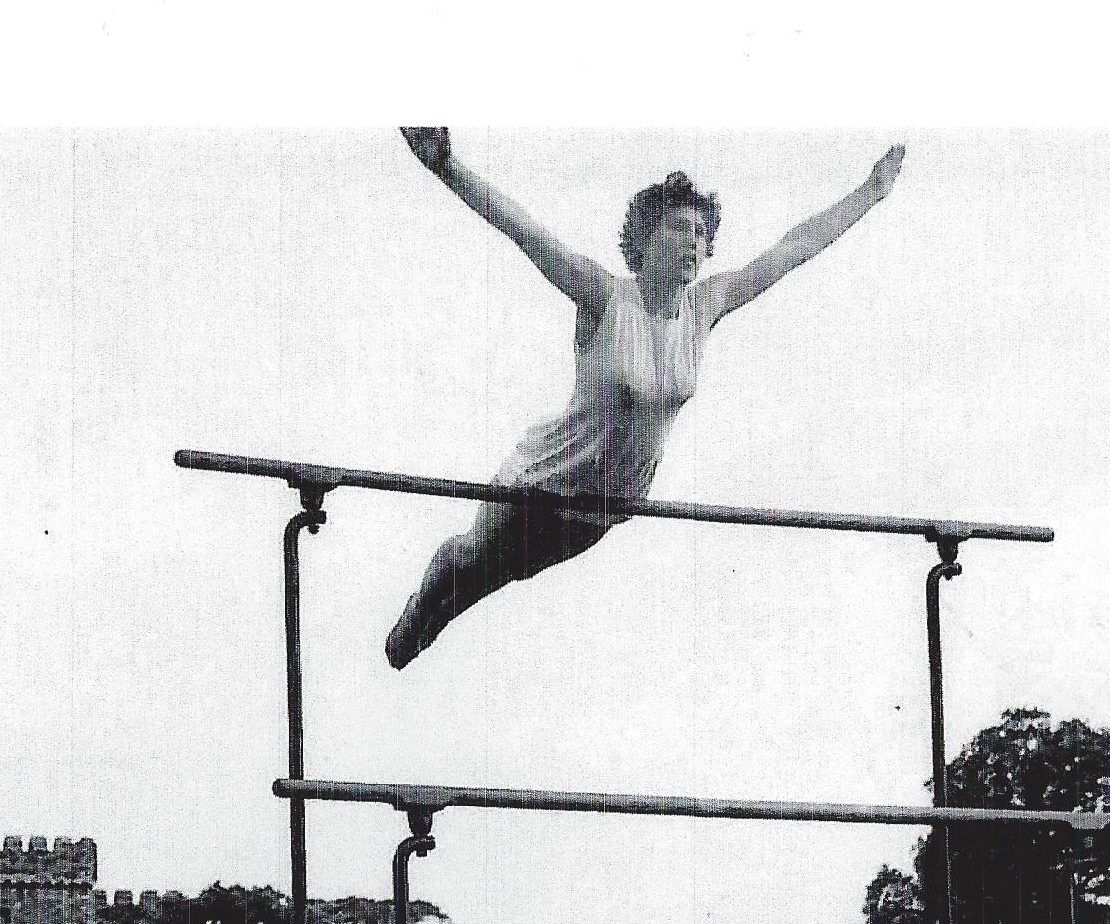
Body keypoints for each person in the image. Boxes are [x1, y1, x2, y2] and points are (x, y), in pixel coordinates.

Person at [385, 128, 909, 668]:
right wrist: (445, 165)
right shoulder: (603, 293)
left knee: (493, 580)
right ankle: (420, 608)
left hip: (610, 503)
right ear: (645, 238)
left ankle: (432, 620)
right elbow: (524, 231)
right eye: (680, 227)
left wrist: (871, 192)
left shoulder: (706, 305)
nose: (694, 242)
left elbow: (792, 250)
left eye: (702, 233)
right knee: (469, 559)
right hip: (545, 479)